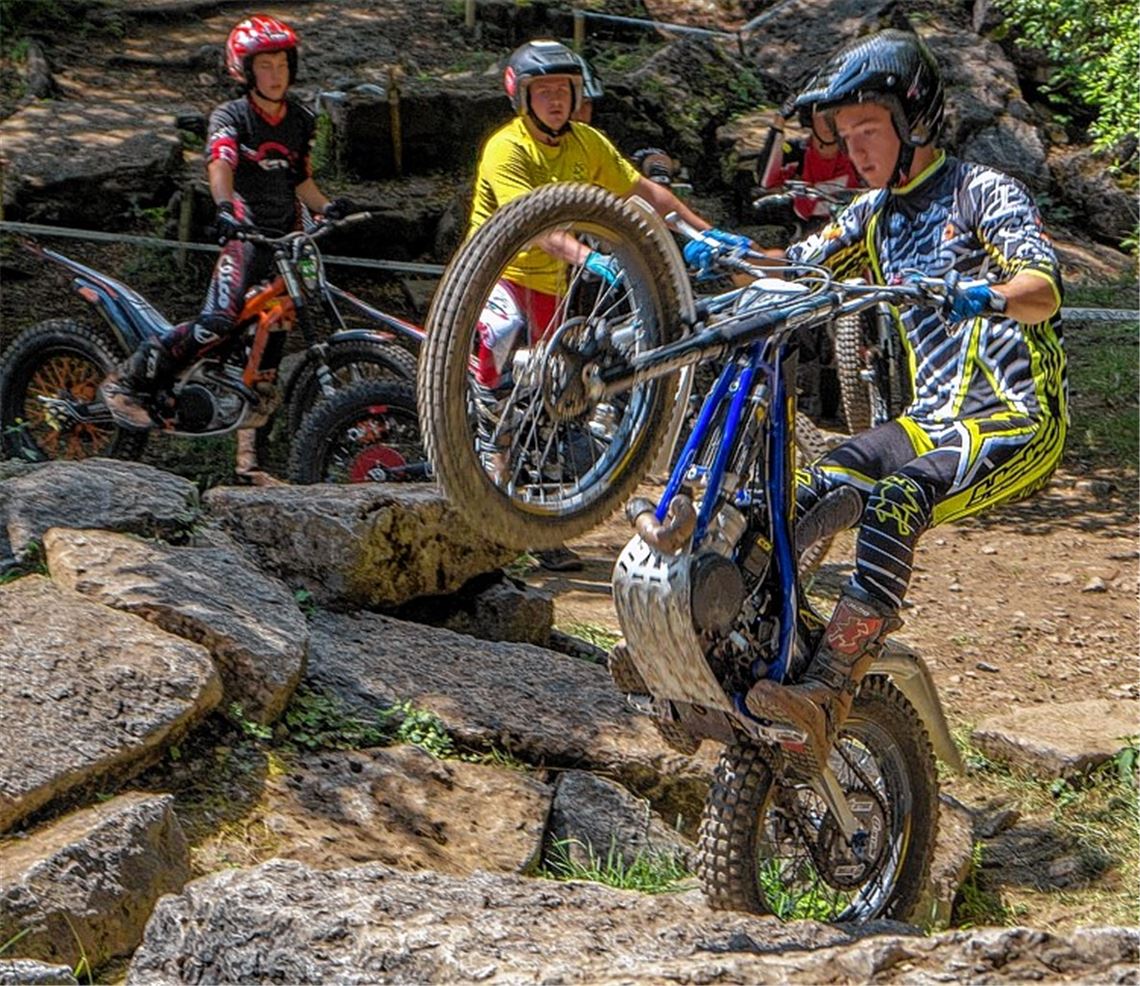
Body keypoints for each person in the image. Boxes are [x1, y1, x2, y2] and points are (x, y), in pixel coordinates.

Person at [743, 29, 1067, 768]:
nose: (854, 150)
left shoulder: (984, 191)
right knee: (820, 483)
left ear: (913, 119)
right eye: (845, 133)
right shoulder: (871, 214)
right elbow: (795, 268)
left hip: (1014, 418)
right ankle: (759, 648)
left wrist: (979, 293)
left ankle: (828, 686)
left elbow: (1042, 291)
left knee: (895, 502)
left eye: (867, 129)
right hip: (929, 421)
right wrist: (697, 249)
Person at [471, 39, 745, 572]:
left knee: (552, 402)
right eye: (543, 92)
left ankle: (538, 522)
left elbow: (644, 194)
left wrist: (708, 236)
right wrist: (592, 258)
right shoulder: (508, 148)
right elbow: (534, 223)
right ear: (521, 97)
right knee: (500, 401)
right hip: (498, 281)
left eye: (564, 91)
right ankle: (491, 499)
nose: (555, 102)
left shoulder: (587, 143)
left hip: (554, 291)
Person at [101, 14, 351, 484]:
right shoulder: (230, 116)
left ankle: (248, 467)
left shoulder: (300, 120)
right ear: (245, 71)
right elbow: (221, 165)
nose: (276, 74)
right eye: (266, 66)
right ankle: (130, 380)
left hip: (285, 243)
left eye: (282, 64)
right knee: (216, 323)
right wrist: (223, 209)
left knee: (270, 345)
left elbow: (303, 180)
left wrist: (329, 208)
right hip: (245, 238)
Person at [751, 101, 860, 234]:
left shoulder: (857, 154)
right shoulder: (798, 152)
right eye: (822, 111)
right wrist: (778, 123)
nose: (829, 120)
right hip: (806, 227)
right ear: (810, 117)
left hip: (851, 224)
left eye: (836, 112)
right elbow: (766, 180)